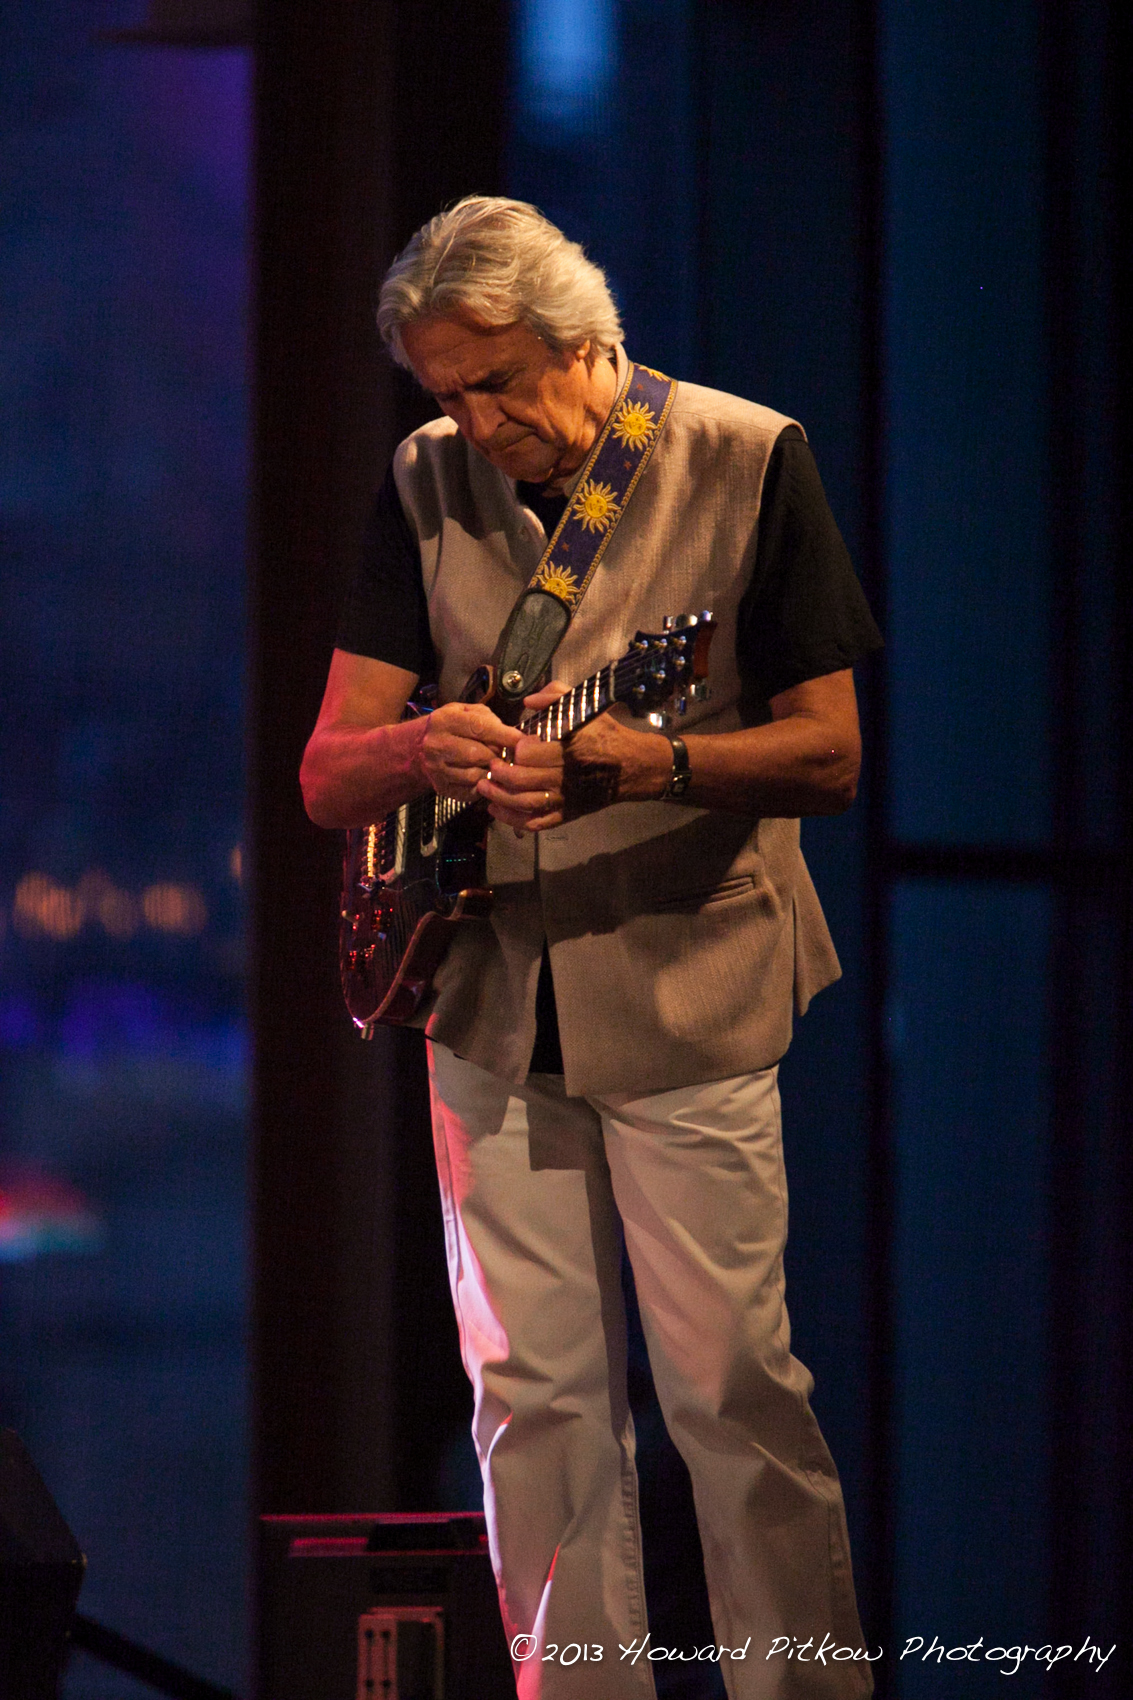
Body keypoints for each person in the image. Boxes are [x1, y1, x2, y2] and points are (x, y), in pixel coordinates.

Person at [301, 196, 882, 1699]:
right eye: (446, 393)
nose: (475, 424)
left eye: (496, 382)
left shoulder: (747, 457)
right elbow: (327, 774)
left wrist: (655, 763)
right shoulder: (423, 481)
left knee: (731, 1395)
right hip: (488, 998)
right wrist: (423, 745)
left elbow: (830, 754)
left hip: (690, 984)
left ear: (582, 339)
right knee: (530, 1401)